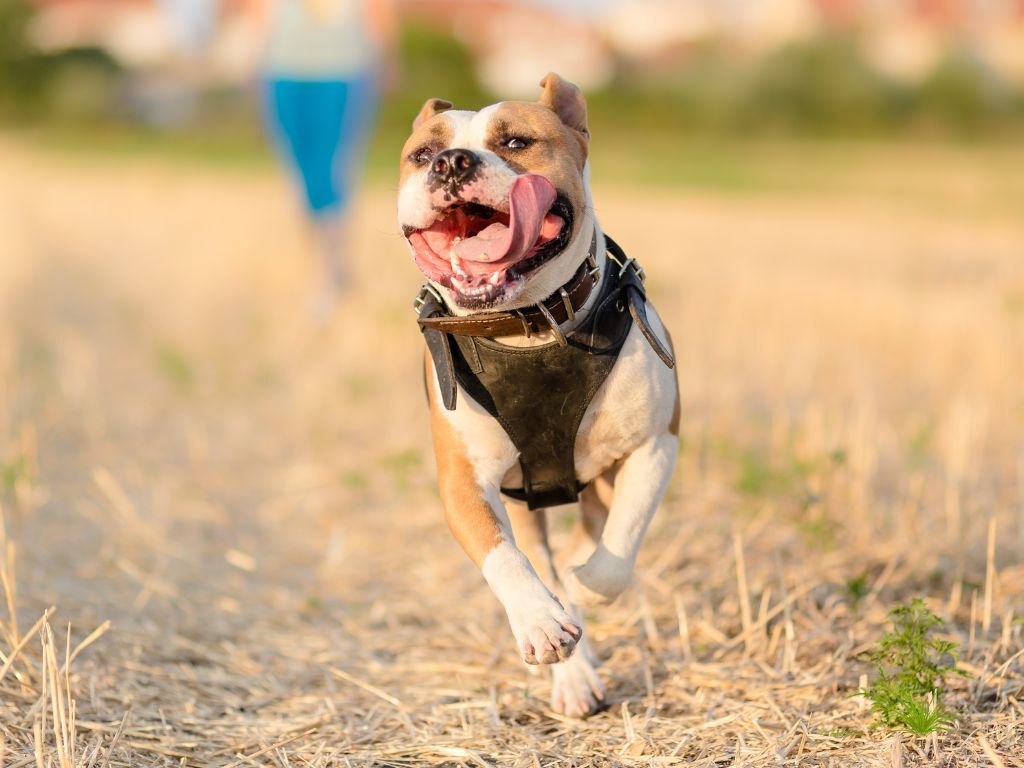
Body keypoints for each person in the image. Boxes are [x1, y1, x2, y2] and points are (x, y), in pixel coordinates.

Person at [262, 0, 397, 320]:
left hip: (344, 70)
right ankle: (327, 267)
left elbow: (380, 10)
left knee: (332, 171)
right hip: (282, 70)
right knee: (300, 174)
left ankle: (328, 274)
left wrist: (387, 58)